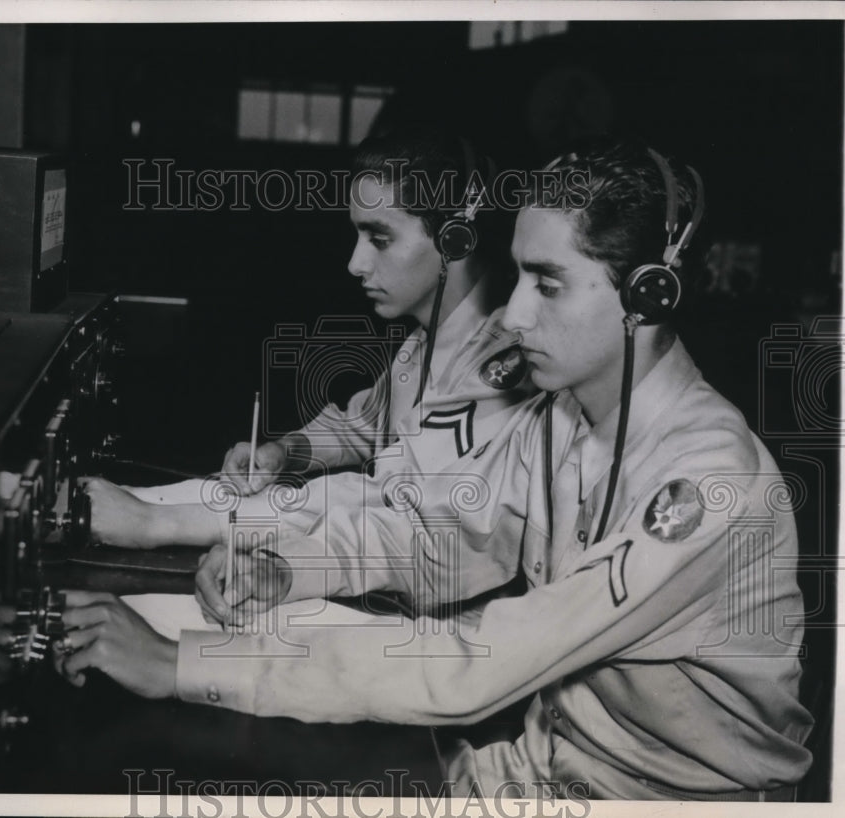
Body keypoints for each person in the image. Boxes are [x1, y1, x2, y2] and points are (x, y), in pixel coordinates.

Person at [57, 137, 813, 800]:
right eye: (517, 277)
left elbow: (478, 664)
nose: (512, 316)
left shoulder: (708, 482)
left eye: (547, 284)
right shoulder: (561, 421)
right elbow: (440, 543)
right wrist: (290, 571)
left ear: (648, 294)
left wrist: (185, 664)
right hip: (540, 767)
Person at [81, 129, 533, 614]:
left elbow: (377, 501)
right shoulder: (425, 341)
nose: (355, 263)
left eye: (379, 238)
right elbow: (361, 425)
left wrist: (159, 523)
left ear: (455, 240)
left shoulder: (499, 370)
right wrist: (288, 451)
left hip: (441, 633)